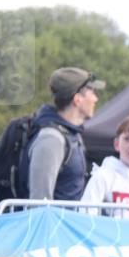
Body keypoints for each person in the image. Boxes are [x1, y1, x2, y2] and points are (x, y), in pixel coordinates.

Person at [27, 67, 104, 201]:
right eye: (92, 93)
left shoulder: (71, 134)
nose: (96, 99)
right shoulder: (51, 139)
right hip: (53, 222)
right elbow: (39, 201)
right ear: (77, 99)